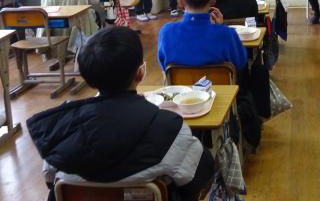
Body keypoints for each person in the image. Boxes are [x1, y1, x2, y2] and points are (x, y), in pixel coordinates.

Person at [27, 27, 215, 201]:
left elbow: (51, 181)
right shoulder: (169, 127)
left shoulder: (61, 127)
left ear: (90, 80)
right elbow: (198, 178)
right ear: (140, 73)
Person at [157, 0, 247, 71]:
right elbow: (240, 63)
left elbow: (164, 65)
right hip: (218, 86)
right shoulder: (227, 34)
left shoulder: (166, 32)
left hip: (182, 86)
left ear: (180, 1)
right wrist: (220, 27)